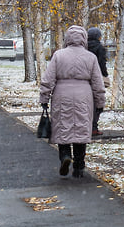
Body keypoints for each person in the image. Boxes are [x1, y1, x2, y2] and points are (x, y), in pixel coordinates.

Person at [39, 25, 106, 178]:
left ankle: (64, 156)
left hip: (62, 95)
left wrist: (44, 98)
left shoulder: (58, 55)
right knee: (81, 129)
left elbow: (48, 79)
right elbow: (97, 83)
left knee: (63, 127)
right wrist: (100, 102)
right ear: (84, 39)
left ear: (67, 38)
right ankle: (79, 166)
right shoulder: (90, 57)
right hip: (84, 95)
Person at [86, 27, 110, 137]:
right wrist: (105, 75)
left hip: (85, 79)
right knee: (98, 102)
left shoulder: (83, 47)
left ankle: (86, 126)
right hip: (97, 78)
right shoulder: (100, 48)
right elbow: (102, 63)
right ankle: (94, 127)